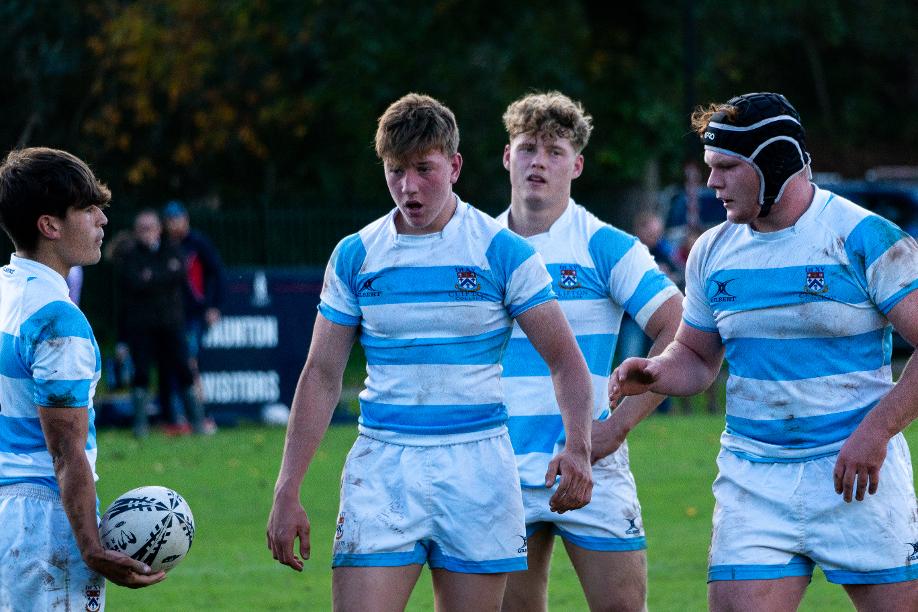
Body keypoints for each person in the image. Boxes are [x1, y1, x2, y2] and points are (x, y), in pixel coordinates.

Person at [267, 93, 594, 611]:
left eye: (425, 169)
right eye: (396, 171)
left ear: (455, 166)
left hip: (478, 467)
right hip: (383, 466)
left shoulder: (502, 251)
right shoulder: (356, 255)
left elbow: (565, 361)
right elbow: (322, 374)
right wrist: (288, 487)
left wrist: (578, 447)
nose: (409, 186)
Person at [610, 92, 918, 609]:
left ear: (774, 163)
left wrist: (877, 432)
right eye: (711, 166)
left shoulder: (864, 237)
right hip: (754, 478)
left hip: (858, 471)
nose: (712, 182)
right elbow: (698, 358)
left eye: (727, 167)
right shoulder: (712, 251)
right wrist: (656, 371)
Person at [496, 92, 682, 611]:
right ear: (508, 156)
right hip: (500, 472)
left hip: (593, 462)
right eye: (528, 148)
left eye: (554, 151)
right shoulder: (481, 247)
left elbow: (680, 329)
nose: (538, 162)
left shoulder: (606, 246)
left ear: (576, 165)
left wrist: (616, 427)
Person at [0, 147, 165, 608]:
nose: (102, 220)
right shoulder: (58, 321)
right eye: (88, 209)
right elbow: (65, 450)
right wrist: (92, 548)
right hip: (43, 524)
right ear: (50, 226)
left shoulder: (6, 290)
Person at [116, 209, 208, 437]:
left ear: (159, 229)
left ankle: (197, 422)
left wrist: (150, 278)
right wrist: (159, 277)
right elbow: (134, 283)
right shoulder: (130, 256)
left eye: (150, 228)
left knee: (183, 369)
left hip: (171, 323)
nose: (146, 233)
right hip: (141, 325)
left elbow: (176, 274)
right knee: (141, 373)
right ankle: (140, 426)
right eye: (141, 229)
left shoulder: (172, 250)